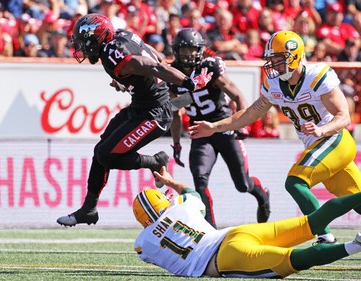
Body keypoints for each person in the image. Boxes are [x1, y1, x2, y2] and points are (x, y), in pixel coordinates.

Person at [188, 30, 361, 244]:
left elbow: (344, 117)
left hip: (334, 140)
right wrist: (215, 126)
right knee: (356, 199)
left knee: (296, 182)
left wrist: (321, 130)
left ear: (295, 56)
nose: (274, 65)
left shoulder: (317, 75)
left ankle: (325, 236)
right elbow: (251, 113)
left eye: (279, 59)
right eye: (272, 59)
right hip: (320, 145)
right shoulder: (274, 84)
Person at [56, 14, 212, 227]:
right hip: (142, 105)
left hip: (154, 113)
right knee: (101, 150)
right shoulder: (121, 36)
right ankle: (89, 209)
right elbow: (152, 54)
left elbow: (154, 67)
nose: (82, 47)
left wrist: (189, 83)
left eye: (84, 42)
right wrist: (131, 82)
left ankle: (155, 162)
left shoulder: (113, 54)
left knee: (106, 155)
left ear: (97, 38)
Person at [133, 166, 361, 278]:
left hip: (224, 259)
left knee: (294, 259)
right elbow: (191, 191)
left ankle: (356, 245)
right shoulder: (182, 205)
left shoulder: (143, 245)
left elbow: (151, 248)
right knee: (311, 223)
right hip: (234, 234)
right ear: (163, 202)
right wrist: (171, 182)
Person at [168, 28, 270, 228]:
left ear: (199, 51)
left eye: (191, 50)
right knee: (200, 179)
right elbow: (175, 112)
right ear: (175, 51)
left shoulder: (210, 69)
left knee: (242, 184)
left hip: (223, 128)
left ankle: (262, 195)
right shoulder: (172, 75)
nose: (188, 55)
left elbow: (238, 97)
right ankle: (210, 231)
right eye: (183, 50)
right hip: (199, 132)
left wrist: (242, 126)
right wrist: (176, 142)